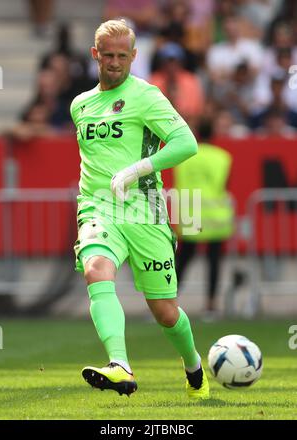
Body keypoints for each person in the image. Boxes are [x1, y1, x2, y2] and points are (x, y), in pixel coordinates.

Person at [70, 19, 209, 399]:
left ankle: (194, 368)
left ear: (134, 56)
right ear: (95, 54)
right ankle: (120, 365)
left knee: (165, 312)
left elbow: (186, 143)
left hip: (145, 210)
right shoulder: (80, 104)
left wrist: (137, 170)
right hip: (98, 206)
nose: (114, 62)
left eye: (122, 56)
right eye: (107, 55)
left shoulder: (146, 96)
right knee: (97, 270)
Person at [175, 122, 234, 315]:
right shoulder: (222, 157)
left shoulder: (184, 155)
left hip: (190, 213)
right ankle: (210, 304)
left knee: (183, 259)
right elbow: (225, 185)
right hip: (215, 216)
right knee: (214, 260)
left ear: (197, 133)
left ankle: (167, 302)